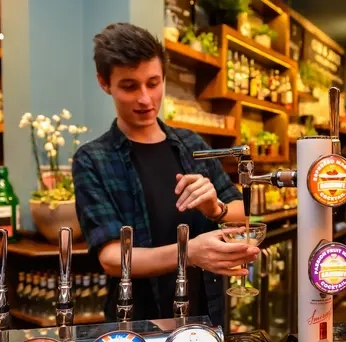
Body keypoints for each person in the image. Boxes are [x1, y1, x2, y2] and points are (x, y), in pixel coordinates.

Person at [72, 22, 259, 326]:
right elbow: (111, 258)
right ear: (105, 83)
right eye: (130, 86)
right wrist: (189, 253)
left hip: (206, 317)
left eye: (153, 82)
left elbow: (240, 212)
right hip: (136, 324)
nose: (145, 99)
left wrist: (215, 208)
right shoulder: (93, 159)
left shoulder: (192, 145)